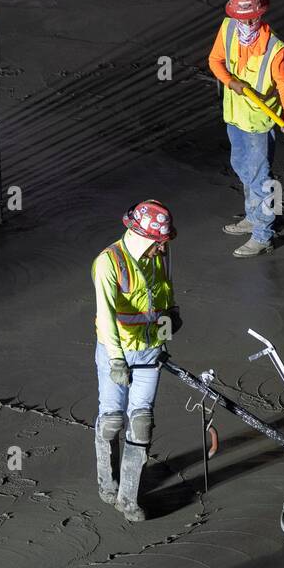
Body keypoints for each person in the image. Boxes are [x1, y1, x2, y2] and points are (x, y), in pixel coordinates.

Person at [93, 199, 180, 522]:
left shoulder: (158, 256)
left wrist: (171, 317)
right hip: (116, 351)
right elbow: (105, 317)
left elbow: (165, 290)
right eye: (159, 242)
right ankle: (107, 484)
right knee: (113, 419)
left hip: (149, 351)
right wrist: (116, 361)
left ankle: (128, 499)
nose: (163, 248)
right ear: (145, 237)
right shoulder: (107, 263)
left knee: (141, 421)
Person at [206, 0, 284, 257]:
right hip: (234, 116)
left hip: (259, 122)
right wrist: (230, 81)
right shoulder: (228, 28)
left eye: (251, 19)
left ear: (261, 15)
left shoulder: (275, 49)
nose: (245, 24)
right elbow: (214, 60)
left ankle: (263, 234)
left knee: (259, 177)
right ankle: (253, 214)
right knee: (240, 165)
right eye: (241, 19)